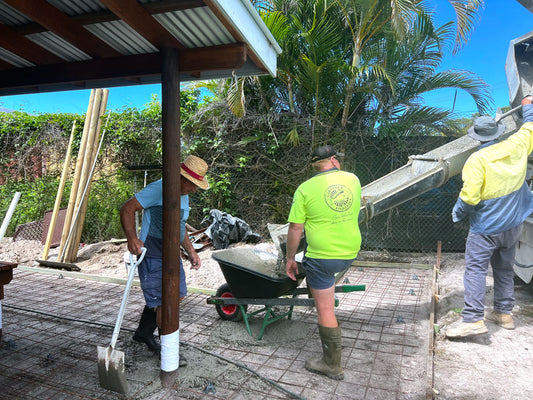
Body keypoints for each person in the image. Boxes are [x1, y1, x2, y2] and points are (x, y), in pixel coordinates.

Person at [445, 96, 533, 339]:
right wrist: (528, 105)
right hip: (514, 225)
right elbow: (530, 127)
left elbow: (470, 198)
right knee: (504, 270)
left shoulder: (477, 160)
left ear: (477, 137)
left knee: (475, 270)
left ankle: (473, 318)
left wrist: (457, 213)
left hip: (486, 228)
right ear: (497, 132)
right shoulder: (517, 145)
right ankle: (504, 313)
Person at [119, 155, 209, 357]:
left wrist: (191, 251)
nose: (194, 189)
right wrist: (132, 238)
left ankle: (144, 332)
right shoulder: (159, 188)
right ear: (180, 177)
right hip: (151, 252)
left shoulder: (183, 195)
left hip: (170, 254)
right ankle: (168, 352)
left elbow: (179, 226)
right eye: (193, 184)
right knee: (163, 303)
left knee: (177, 295)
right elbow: (127, 208)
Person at [285, 145, 362, 380]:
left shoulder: (305, 189)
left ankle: (331, 364)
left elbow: (296, 228)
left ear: (314, 165)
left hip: (322, 257)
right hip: (349, 252)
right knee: (324, 283)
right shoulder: (353, 180)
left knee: (325, 309)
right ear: (333, 160)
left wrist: (290, 258)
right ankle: (333, 339)